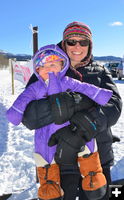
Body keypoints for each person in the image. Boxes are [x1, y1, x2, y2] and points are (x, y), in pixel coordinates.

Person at [22, 22, 122, 200]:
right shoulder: (46, 70)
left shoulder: (100, 71)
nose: (77, 47)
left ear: (89, 46)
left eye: (83, 42)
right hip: (58, 159)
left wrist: (82, 125)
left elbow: (114, 106)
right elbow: (28, 115)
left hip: (97, 157)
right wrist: (64, 104)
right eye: (72, 41)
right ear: (64, 43)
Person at [6, 44, 112, 200]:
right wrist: (15, 114)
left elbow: (86, 89)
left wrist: (100, 95)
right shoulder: (34, 88)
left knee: (88, 149)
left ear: (62, 66)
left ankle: (93, 177)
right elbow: (22, 103)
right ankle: (50, 187)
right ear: (37, 70)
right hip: (46, 134)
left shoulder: (69, 81)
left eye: (53, 64)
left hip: (75, 129)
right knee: (46, 159)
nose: (48, 69)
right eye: (43, 66)